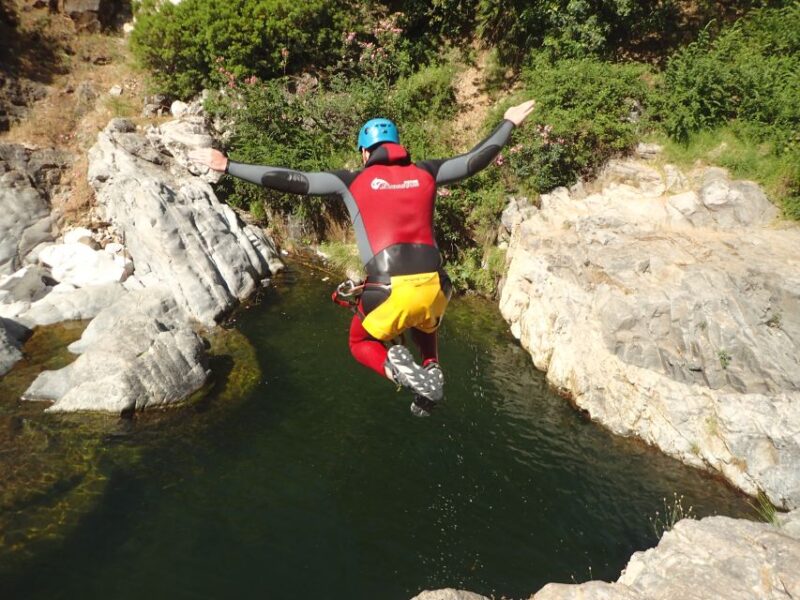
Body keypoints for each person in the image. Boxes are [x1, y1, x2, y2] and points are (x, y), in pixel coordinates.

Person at [190, 99, 536, 416]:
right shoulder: (427, 172)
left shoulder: (351, 181)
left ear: (364, 152)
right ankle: (431, 368)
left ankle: (399, 372)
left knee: (360, 342)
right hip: (436, 286)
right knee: (423, 319)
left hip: (388, 289)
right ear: (397, 145)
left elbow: (293, 180)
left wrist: (228, 165)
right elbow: (475, 160)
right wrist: (507, 122)